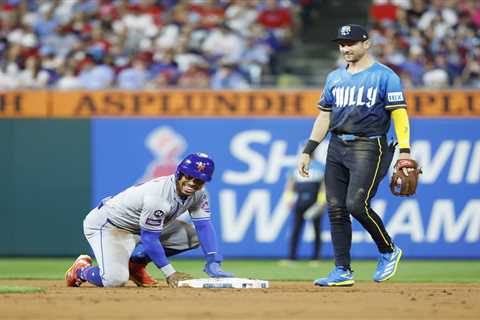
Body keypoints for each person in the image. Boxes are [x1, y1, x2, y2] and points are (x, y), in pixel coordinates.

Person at [298, 24, 416, 286]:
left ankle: (388, 250)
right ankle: (342, 270)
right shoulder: (335, 77)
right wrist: (308, 150)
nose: (345, 48)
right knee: (335, 209)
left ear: (367, 44)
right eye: (342, 43)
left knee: (355, 205)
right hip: (336, 145)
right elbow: (324, 115)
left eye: (351, 43)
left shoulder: (385, 76)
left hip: (369, 145)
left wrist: (405, 149)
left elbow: (399, 113)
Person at [65, 153, 234, 288]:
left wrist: (213, 261)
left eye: (198, 180)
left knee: (192, 236)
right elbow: (149, 238)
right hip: (111, 226)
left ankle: (135, 265)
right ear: (179, 173)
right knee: (114, 280)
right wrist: (169, 273)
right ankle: (81, 271)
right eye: (188, 176)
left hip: (142, 227)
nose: (191, 183)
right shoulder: (158, 196)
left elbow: (203, 226)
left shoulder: (199, 194)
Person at [284, 150, 326, 261]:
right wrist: (288, 199)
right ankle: (291, 257)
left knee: (316, 230)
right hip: (300, 201)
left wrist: (321, 202)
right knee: (296, 229)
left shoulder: (320, 166)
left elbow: (324, 185)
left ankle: (316, 257)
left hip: (314, 202)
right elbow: (290, 184)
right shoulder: (296, 167)